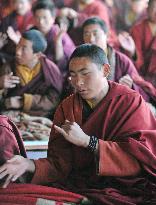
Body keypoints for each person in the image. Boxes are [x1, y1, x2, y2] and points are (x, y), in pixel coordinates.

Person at [0, 44, 156, 204]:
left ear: (105, 70)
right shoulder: (67, 107)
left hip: (126, 186)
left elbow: (141, 158)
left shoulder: (130, 101)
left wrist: (89, 142)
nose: (78, 82)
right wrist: (28, 164)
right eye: (73, 75)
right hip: (79, 184)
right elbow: (59, 164)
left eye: (85, 73)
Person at [82, 17, 155, 111]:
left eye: (95, 34)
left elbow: (144, 94)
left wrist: (132, 86)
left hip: (117, 109)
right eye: (86, 34)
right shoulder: (79, 60)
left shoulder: (122, 61)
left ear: (107, 35)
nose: (91, 39)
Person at [0, 29, 63, 118]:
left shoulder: (51, 70)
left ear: (37, 55)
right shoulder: (8, 67)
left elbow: (53, 100)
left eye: (24, 49)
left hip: (38, 117)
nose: (17, 52)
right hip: (10, 115)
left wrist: (23, 101)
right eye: (18, 46)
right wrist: (0, 85)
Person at [32, 0, 75, 77]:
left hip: (54, 77)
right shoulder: (33, 31)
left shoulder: (61, 35)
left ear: (53, 18)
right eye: (37, 17)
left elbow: (65, 65)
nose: (41, 22)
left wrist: (58, 43)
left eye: (45, 18)